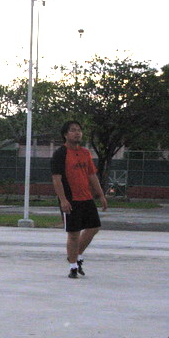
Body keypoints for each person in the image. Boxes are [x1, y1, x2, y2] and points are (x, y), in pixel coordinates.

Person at [51, 120, 108, 279]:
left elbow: (92, 175)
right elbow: (56, 179)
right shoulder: (60, 154)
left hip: (86, 197)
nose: (77, 133)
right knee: (74, 233)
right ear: (65, 135)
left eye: (79, 130)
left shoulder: (85, 153)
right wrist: (63, 200)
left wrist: (101, 195)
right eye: (73, 130)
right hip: (70, 198)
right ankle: (73, 266)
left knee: (94, 227)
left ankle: (75, 255)